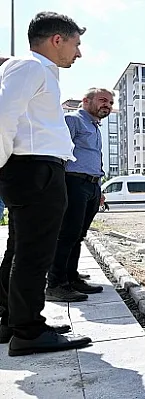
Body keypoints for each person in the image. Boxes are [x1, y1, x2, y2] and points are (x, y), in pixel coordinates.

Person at [0, 11, 92, 356]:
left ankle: (14, 321)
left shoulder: (34, 69)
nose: (78, 53)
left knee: (20, 250)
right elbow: (2, 115)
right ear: (57, 40)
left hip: (33, 168)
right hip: (34, 169)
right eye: (75, 44)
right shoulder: (31, 67)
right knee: (34, 254)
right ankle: (28, 332)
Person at [46, 88, 113, 302]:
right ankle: (55, 284)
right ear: (86, 101)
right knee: (67, 234)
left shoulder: (95, 127)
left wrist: (99, 189)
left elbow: (94, 158)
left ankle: (71, 277)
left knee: (78, 235)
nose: (107, 105)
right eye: (103, 100)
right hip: (73, 182)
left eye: (110, 103)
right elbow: (60, 153)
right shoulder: (72, 120)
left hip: (91, 186)